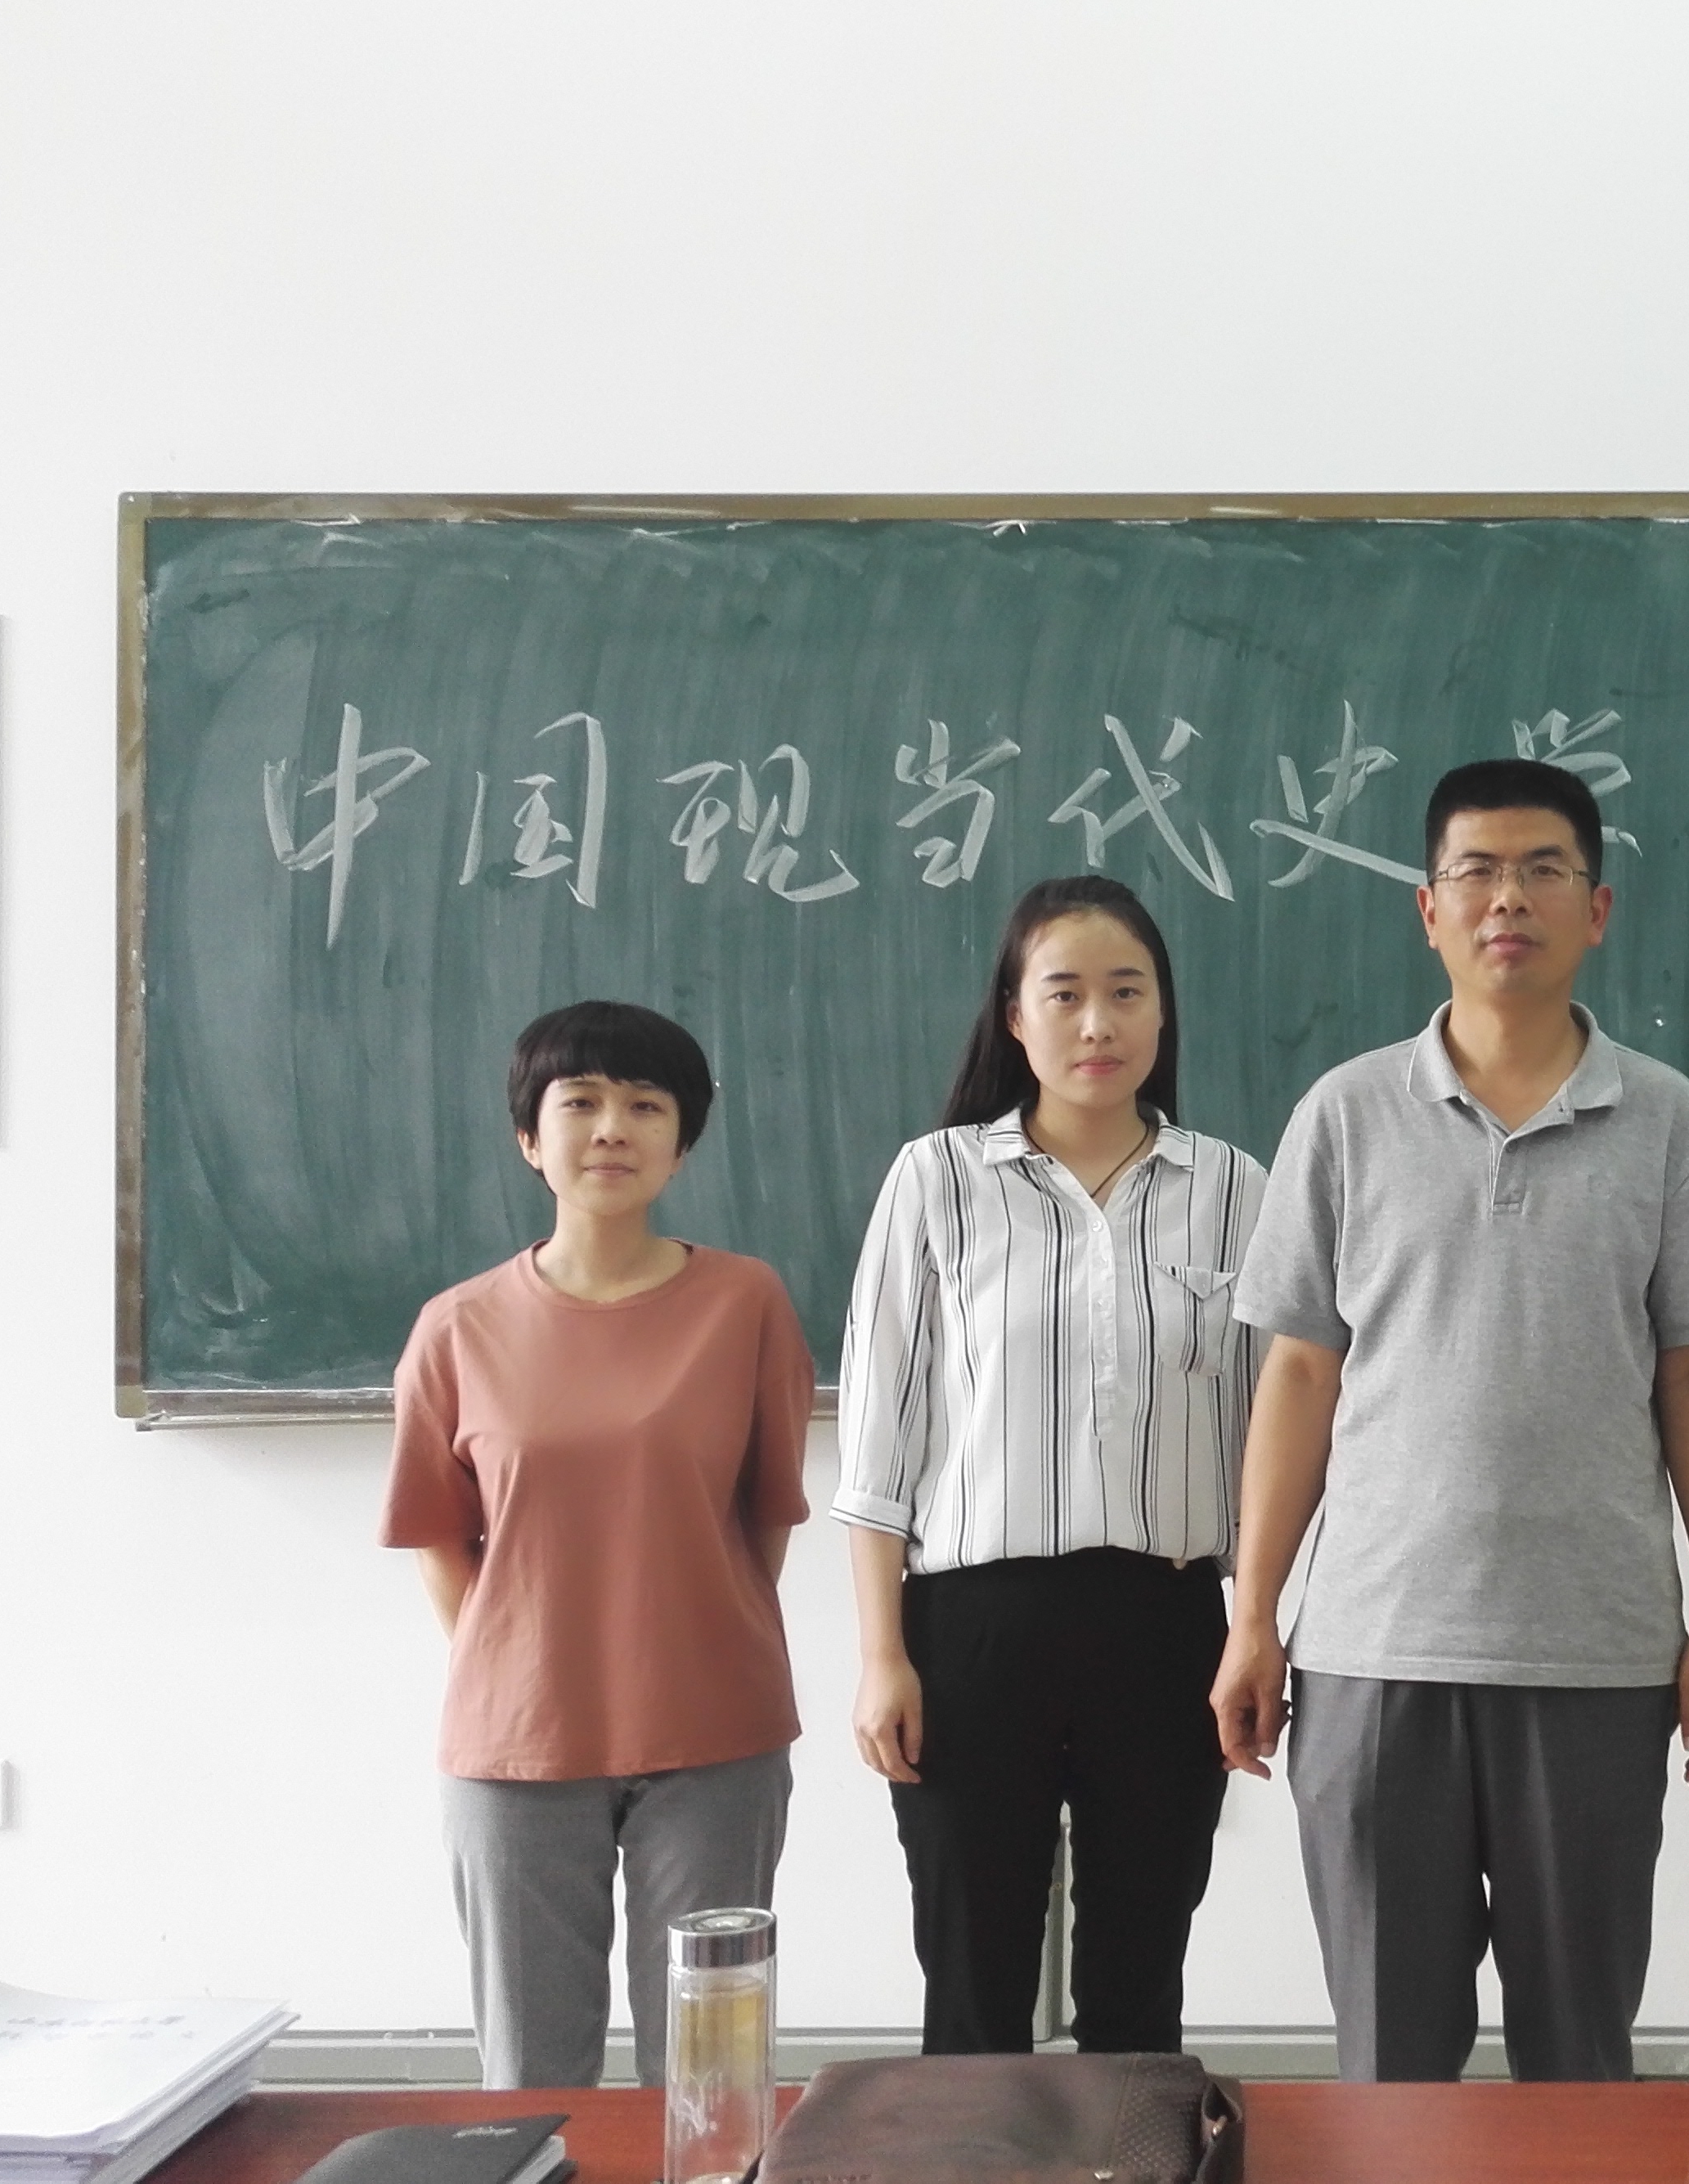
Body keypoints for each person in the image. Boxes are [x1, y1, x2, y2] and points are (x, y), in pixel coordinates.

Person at [1208, 758, 1689, 2083]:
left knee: (1580, 2064)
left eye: (1543, 871)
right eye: (1476, 872)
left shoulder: (1666, 1120)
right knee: (1391, 2065)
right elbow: (1299, 1376)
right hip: (1373, 1652)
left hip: (1596, 1656)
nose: (1508, 899)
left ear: (1598, 909)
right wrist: (1253, 1615)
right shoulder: (1345, 1114)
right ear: (1429, 909)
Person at [833, 875, 1267, 2056]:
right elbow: (879, 1444)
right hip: (973, 1631)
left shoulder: (1234, 1190)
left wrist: (1258, 1628)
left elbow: (1268, 1439)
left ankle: (1131, 2144)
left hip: (1168, 1626)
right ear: (1014, 1017)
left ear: (1164, 1013)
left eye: (1128, 992)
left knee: (1138, 1986)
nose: (1097, 1023)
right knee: (974, 1990)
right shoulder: (936, 1180)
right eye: (1064, 994)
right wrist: (882, 1656)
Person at [380, 1000, 814, 2092]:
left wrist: (692, 1634)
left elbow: (764, 1512)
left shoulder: (746, 1304)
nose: (612, 1128)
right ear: (530, 1137)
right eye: (580, 1102)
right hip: (518, 1746)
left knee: (711, 2077)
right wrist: (522, 1667)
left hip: (715, 1734)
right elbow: (441, 1537)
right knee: (533, 2077)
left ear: (682, 1142)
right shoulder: (457, 1326)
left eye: (645, 1105)